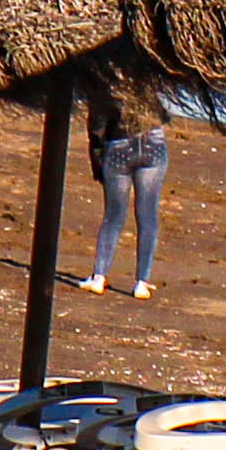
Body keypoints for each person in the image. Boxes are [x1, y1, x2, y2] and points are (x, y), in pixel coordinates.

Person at [81, 83, 167, 298]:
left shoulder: (101, 77)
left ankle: (99, 277)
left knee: (113, 216)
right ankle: (142, 282)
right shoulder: (146, 72)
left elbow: (97, 128)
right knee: (148, 216)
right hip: (152, 139)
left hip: (119, 144)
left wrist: (98, 163)